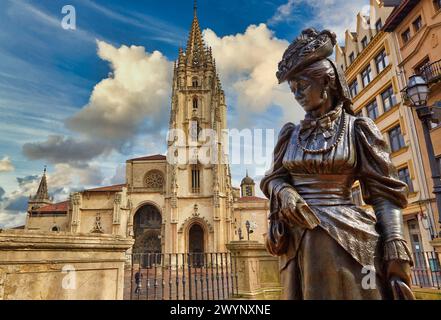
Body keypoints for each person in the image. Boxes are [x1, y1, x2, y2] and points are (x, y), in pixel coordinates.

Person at [260, 28, 414, 300]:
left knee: (340, 262)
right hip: (298, 239)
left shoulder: (358, 130)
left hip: (347, 234)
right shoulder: (290, 134)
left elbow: (385, 193)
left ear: (328, 82)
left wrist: (394, 242)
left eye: (303, 86)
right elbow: (273, 177)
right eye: (293, 89)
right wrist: (284, 192)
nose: (297, 95)